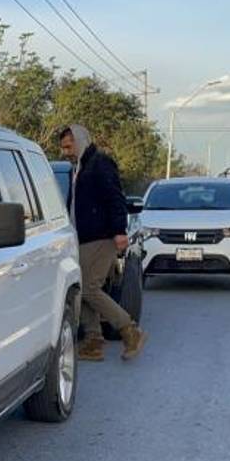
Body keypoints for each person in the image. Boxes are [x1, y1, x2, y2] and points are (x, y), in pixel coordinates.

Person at [58, 124, 147, 361]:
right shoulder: (78, 168)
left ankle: (130, 331)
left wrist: (119, 231)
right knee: (81, 288)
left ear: (80, 140)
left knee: (89, 287)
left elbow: (115, 197)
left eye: (69, 146)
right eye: (63, 147)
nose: (66, 152)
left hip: (101, 236)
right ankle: (93, 340)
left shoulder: (100, 163)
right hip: (81, 238)